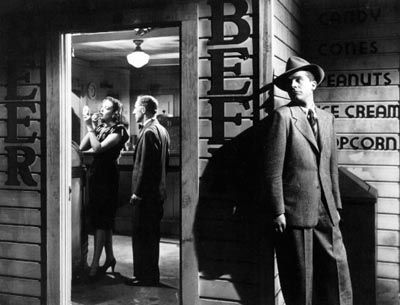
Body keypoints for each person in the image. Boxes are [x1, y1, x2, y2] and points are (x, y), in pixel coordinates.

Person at [264, 56, 352, 305]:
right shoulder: (283, 117)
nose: (294, 85)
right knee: (300, 278)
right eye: (290, 82)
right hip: (295, 210)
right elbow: (272, 170)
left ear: (313, 84)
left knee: (338, 270)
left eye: (299, 80)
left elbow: (331, 166)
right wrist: (278, 210)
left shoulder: (327, 119)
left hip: (327, 209)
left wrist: (336, 206)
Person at [79, 96, 129, 280]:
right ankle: (109, 258)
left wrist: (91, 128)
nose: (101, 110)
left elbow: (98, 149)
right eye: (102, 106)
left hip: (108, 178)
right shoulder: (100, 127)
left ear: (115, 113)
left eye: (106, 108)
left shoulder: (120, 131)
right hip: (96, 176)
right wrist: (90, 126)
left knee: (102, 221)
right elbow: (83, 147)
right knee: (103, 221)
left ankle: (94, 264)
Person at [125, 95, 170, 286]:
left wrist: (137, 192)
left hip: (145, 197)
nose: (134, 111)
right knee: (152, 238)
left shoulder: (149, 132)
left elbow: (144, 166)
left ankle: (143, 277)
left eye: (136, 108)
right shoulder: (162, 131)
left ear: (143, 110)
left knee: (142, 237)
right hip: (157, 195)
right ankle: (151, 275)